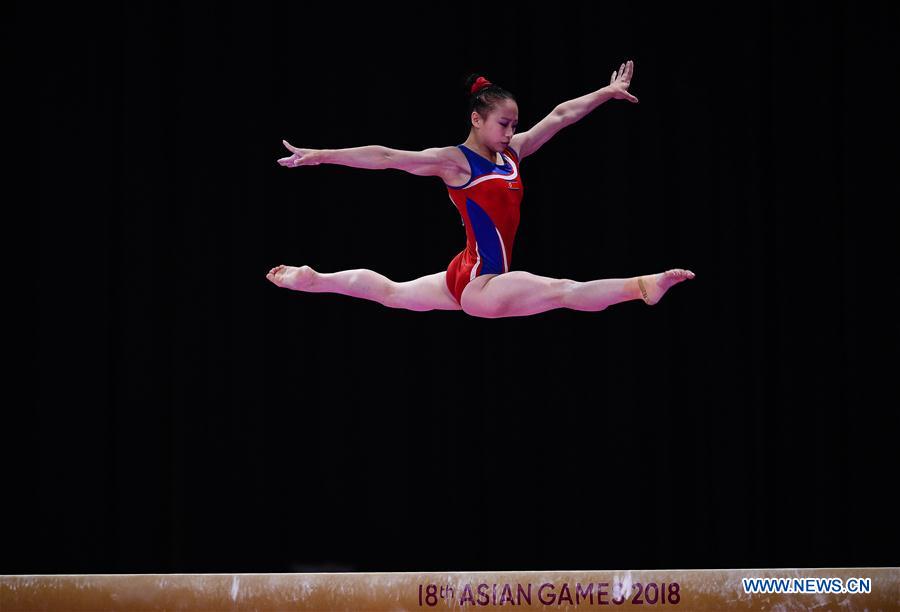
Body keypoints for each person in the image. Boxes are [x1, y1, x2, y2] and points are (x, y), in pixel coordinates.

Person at [268, 60, 695, 318]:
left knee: (392, 293)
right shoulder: (455, 162)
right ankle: (643, 287)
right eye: (503, 125)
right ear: (477, 120)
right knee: (562, 290)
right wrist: (323, 154)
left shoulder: (514, 154)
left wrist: (606, 92)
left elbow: (561, 115)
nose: (512, 132)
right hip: (482, 287)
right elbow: (386, 157)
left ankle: (313, 279)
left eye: (513, 124)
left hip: (466, 272)